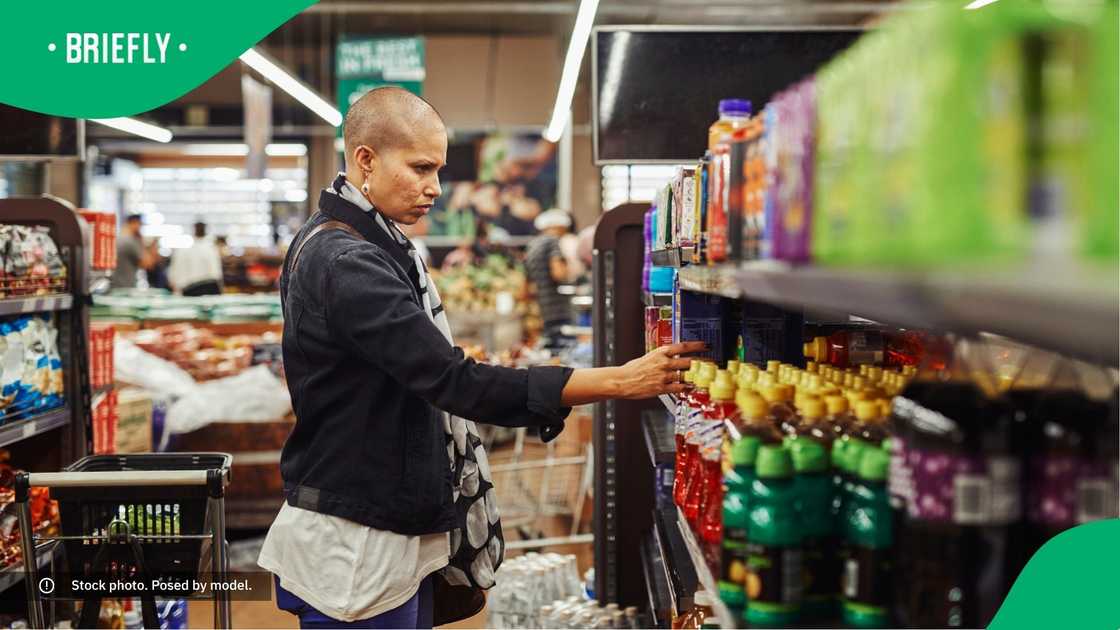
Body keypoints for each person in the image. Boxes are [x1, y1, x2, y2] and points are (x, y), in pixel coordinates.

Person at [257, 86, 701, 629]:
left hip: (385, 521)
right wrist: (616, 380)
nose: (435, 188)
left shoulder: (374, 244)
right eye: (421, 168)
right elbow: (451, 381)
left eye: (438, 170)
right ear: (365, 160)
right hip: (357, 542)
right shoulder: (345, 259)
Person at [525, 208, 575, 348]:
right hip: (558, 308)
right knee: (563, 349)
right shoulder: (553, 242)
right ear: (559, 226)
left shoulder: (532, 245)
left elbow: (528, 282)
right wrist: (569, 272)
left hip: (543, 308)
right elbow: (558, 273)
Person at [168, 222, 223, 296]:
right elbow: (216, 275)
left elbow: (172, 279)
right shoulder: (211, 250)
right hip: (205, 297)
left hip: (183, 295)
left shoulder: (181, 250)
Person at [109, 214, 151, 289]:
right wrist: (141, 240)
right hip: (125, 287)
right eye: (140, 224)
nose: (140, 227)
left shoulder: (118, 238)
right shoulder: (130, 241)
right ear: (134, 223)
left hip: (114, 285)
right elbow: (147, 264)